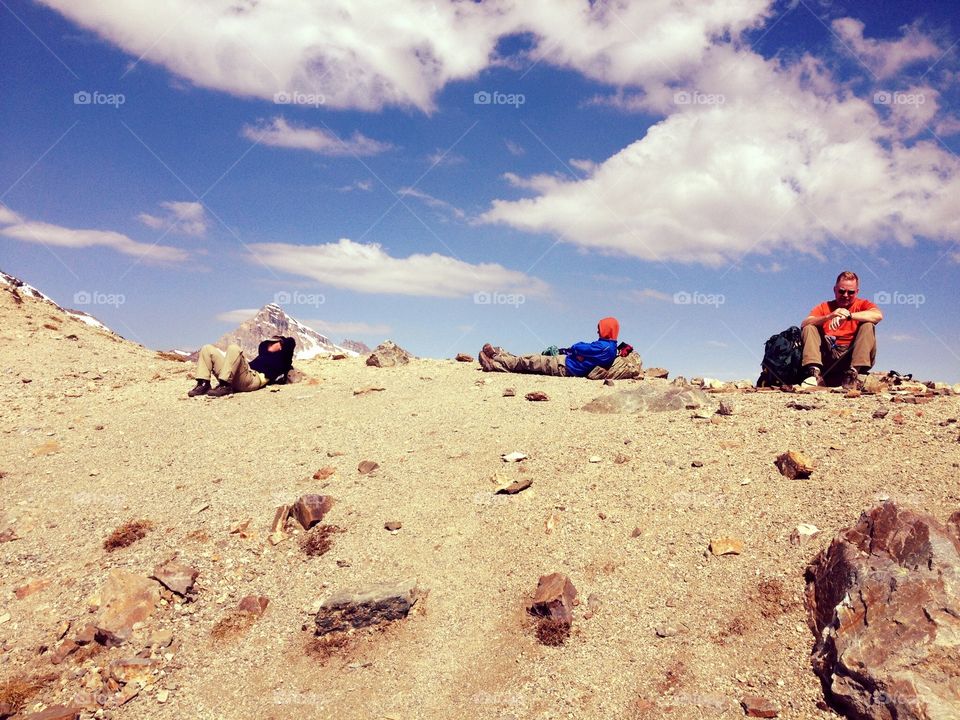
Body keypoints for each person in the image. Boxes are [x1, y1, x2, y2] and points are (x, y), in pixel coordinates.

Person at [800, 271, 882, 390]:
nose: (846, 295)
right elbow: (804, 323)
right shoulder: (824, 307)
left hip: (851, 355)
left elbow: (878, 316)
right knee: (809, 327)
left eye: (851, 292)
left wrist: (849, 315)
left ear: (857, 292)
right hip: (829, 355)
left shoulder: (863, 304)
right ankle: (815, 374)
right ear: (834, 290)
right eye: (842, 291)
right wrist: (829, 316)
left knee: (868, 325)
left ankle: (853, 374)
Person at [478, 317, 621, 377]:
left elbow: (578, 347)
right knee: (528, 362)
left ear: (607, 329)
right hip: (567, 364)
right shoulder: (610, 347)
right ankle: (497, 360)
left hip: (565, 365)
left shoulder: (603, 347)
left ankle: (495, 359)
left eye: (600, 328)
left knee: (529, 361)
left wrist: (580, 349)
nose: (598, 331)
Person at [188, 335, 296, 397]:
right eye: (270, 342)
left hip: (252, 380)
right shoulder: (263, 354)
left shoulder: (282, 359)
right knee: (207, 348)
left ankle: (225, 386)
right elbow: (262, 345)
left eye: (274, 343)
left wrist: (281, 342)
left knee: (234, 348)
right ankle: (203, 384)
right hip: (237, 376)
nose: (270, 344)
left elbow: (291, 342)